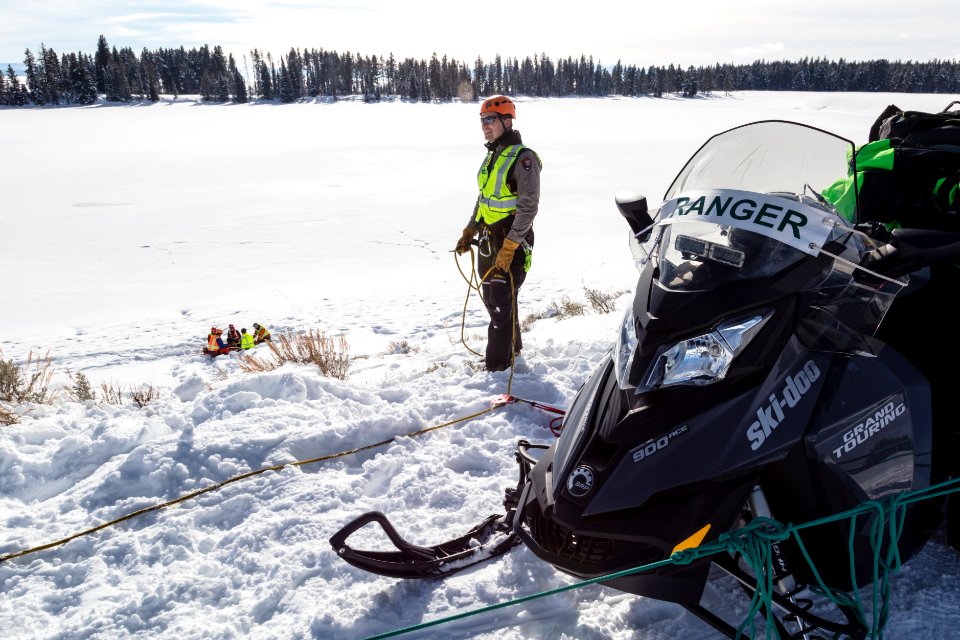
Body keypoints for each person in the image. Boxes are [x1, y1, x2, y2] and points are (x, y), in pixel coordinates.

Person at [454, 95, 542, 372]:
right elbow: (485, 199)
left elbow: (528, 207)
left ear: (507, 121)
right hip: (488, 242)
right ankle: (512, 350)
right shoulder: (493, 156)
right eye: (482, 121)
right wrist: (471, 228)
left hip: (512, 242)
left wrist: (510, 246)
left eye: (490, 120)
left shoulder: (523, 158)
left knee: (501, 306)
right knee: (495, 301)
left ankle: (496, 367)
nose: (485, 126)